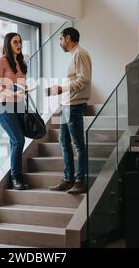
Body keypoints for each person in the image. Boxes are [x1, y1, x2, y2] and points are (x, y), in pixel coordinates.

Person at [48, 27, 92, 195]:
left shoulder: (80, 54)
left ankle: (81, 181)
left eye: (61, 39)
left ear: (67, 38)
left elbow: (84, 79)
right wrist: (62, 91)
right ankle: (69, 179)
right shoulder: (75, 55)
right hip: (67, 104)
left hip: (74, 105)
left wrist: (62, 88)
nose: (60, 43)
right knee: (64, 142)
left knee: (77, 144)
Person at [0, 33, 30, 190]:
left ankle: (13, 176)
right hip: (3, 106)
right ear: (8, 44)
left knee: (14, 141)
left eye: (20, 41)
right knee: (18, 140)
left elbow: (20, 84)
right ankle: (16, 178)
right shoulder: (2, 61)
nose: (19, 44)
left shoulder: (21, 63)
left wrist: (24, 89)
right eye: (15, 42)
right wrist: (13, 93)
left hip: (18, 106)